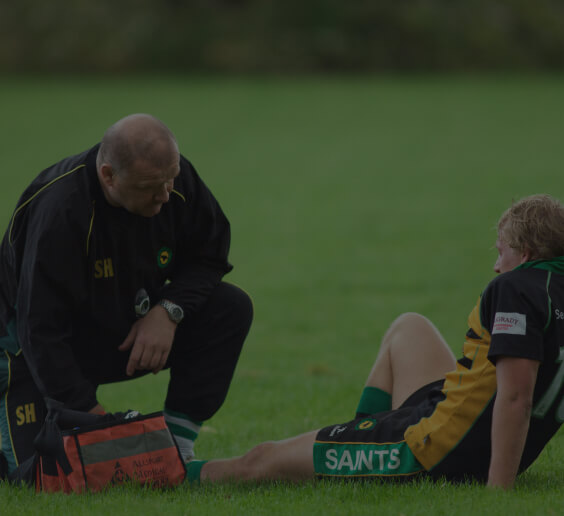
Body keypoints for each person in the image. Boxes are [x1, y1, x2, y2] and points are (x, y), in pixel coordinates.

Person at [184, 194, 564, 490]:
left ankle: (176, 475)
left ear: (526, 254)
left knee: (259, 460)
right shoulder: (553, 291)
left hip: (434, 450)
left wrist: (498, 491)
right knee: (409, 328)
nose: (496, 266)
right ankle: (361, 437)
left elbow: (516, 397)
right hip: (461, 428)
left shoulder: (514, 288)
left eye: (501, 252)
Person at [0, 114, 253, 476]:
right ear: (108, 176)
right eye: (151, 186)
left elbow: (210, 257)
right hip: (30, 351)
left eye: (170, 179)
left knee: (230, 308)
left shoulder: (172, 179)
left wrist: (168, 311)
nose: (165, 194)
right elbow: (39, 328)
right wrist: (91, 418)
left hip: (125, 332)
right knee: (41, 476)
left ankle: (176, 448)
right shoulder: (61, 211)